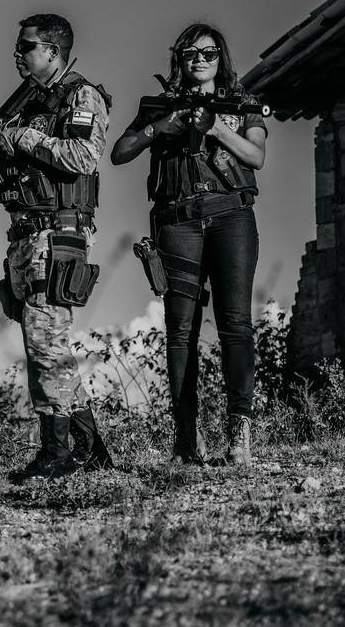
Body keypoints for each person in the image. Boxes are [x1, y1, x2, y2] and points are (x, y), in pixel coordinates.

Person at [0, 13, 114, 482]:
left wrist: (23, 136)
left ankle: (56, 455)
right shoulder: (27, 106)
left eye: (26, 47)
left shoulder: (82, 96)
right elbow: (8, 167)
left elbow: (82, 157)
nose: (17, 55)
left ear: (53, 51)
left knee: (44, 344)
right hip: (24, 236)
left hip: (58, 233)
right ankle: (92, 452)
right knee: (47, 345)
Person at [110, 23, 266, 466]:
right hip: (177, 220)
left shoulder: (242, 103)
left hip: (231, 216)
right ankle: (185, 440)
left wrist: (216, 128)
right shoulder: (159, 105)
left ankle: (239, 436)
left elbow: (256, 156)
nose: (200, 59)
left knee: (236, 323)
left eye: (209, 52)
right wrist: (162, 126)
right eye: (191, 53)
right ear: (179, 58)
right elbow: (120, 152)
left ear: (221, 58)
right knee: (180, 331)